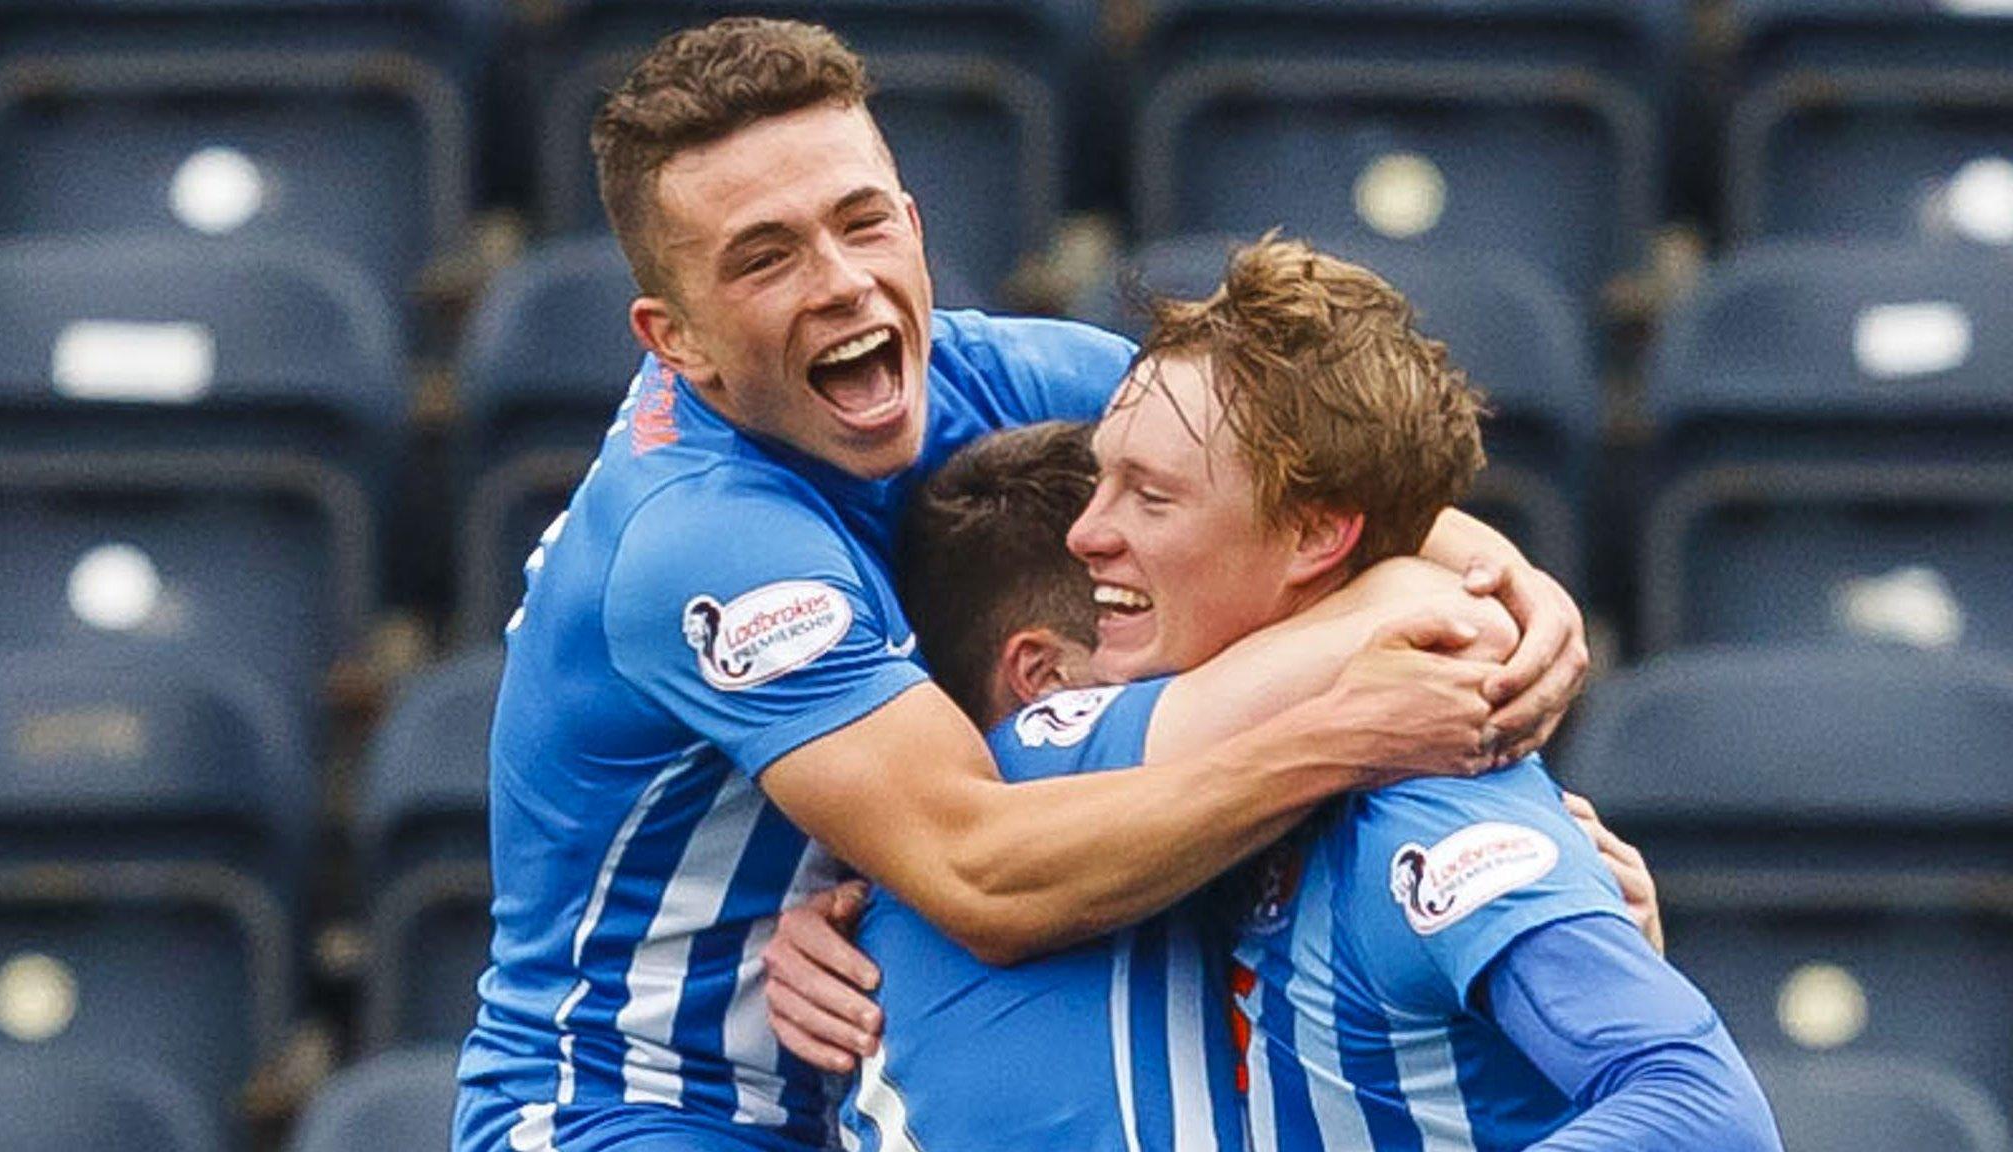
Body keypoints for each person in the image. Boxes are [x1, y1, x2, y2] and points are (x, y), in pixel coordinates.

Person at [454, 18, 1590, 1152]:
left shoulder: (995, 376)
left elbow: (1316, 495)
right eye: (766, 257)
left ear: (910, 225)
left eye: (860, 225)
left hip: (860, 1066)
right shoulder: (702, 539)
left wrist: (1515, 584)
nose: (842, 285)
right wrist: (1343, 734)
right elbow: (984, 877)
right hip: (635, 1110)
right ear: (677, 339)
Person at [808, 238, 1771, 1151]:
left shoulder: (1433, 804)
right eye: (1101, 483)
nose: (1085, 534)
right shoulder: (1212, 785)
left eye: (1151, 497)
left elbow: (1701, 1108)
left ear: (1316, 537)